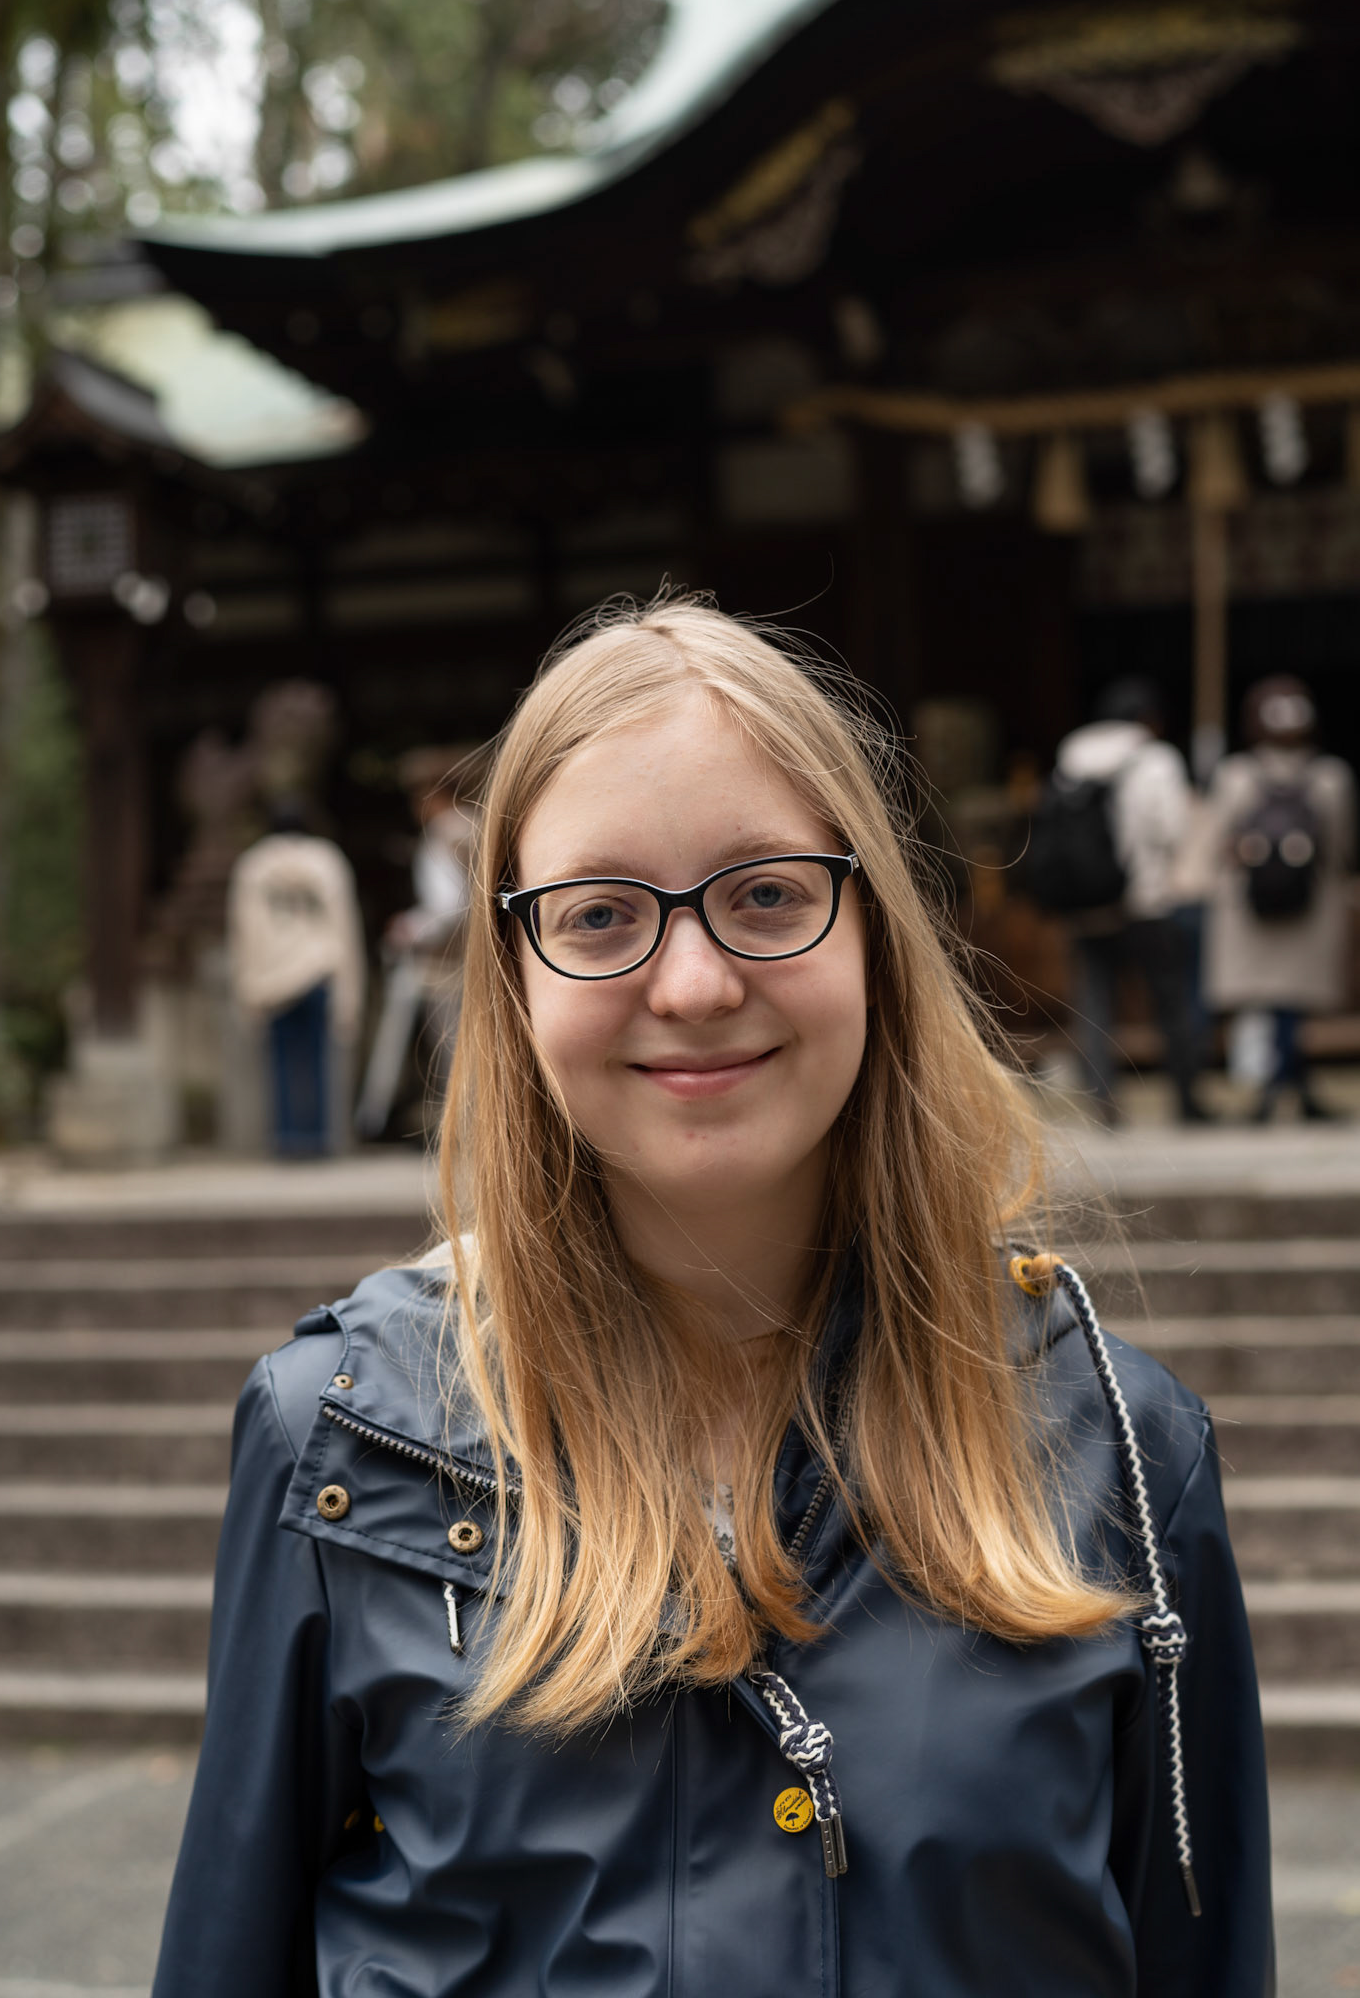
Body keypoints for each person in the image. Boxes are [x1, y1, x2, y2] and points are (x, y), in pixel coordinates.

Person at [157, 601, 1272, 1997]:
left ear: (872, 927)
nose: (691, 983)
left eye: (766, 895)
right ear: (512, 969)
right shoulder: (338, 1439)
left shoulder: (1121, 1451)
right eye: (599, 914)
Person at [1047, 679, 1210, 1124]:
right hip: (1145, 900)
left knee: (1095, 1004)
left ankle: (1103, 1101)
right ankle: (1186, 1098)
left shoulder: (1072, 754)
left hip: (1087, 904)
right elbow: (1171, 830)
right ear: (1148, 718)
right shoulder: (1157, 759)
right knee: (1170, 1000)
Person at [1205, 675, 1356, 1122]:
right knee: (1293, 999)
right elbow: (1341, 847)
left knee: (1270, 1000)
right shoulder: (1331, 778)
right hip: (1311, 905)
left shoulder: (1234, 775)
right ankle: (1289, 1084)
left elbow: (1217, 841)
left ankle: (1277, 1087)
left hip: (1249, 908)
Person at [227, 799, 366, 1156]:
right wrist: (350, 990)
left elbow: (243, 931)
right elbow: (344, 926)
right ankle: (318, 1137)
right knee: (319, 1060)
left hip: (272, 978)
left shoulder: (254, 865)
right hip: (319, 971)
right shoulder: (327, 860)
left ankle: (287, 1138)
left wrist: (245, 984)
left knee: (280, 1062)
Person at [355, 747, 479, 1141]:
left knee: (454, 1051)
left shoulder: (441, 837)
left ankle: (467, 1134)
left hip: (447, 964)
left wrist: (410, 929)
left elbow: (447, 907)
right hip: (486, 961)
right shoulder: (480, 827)